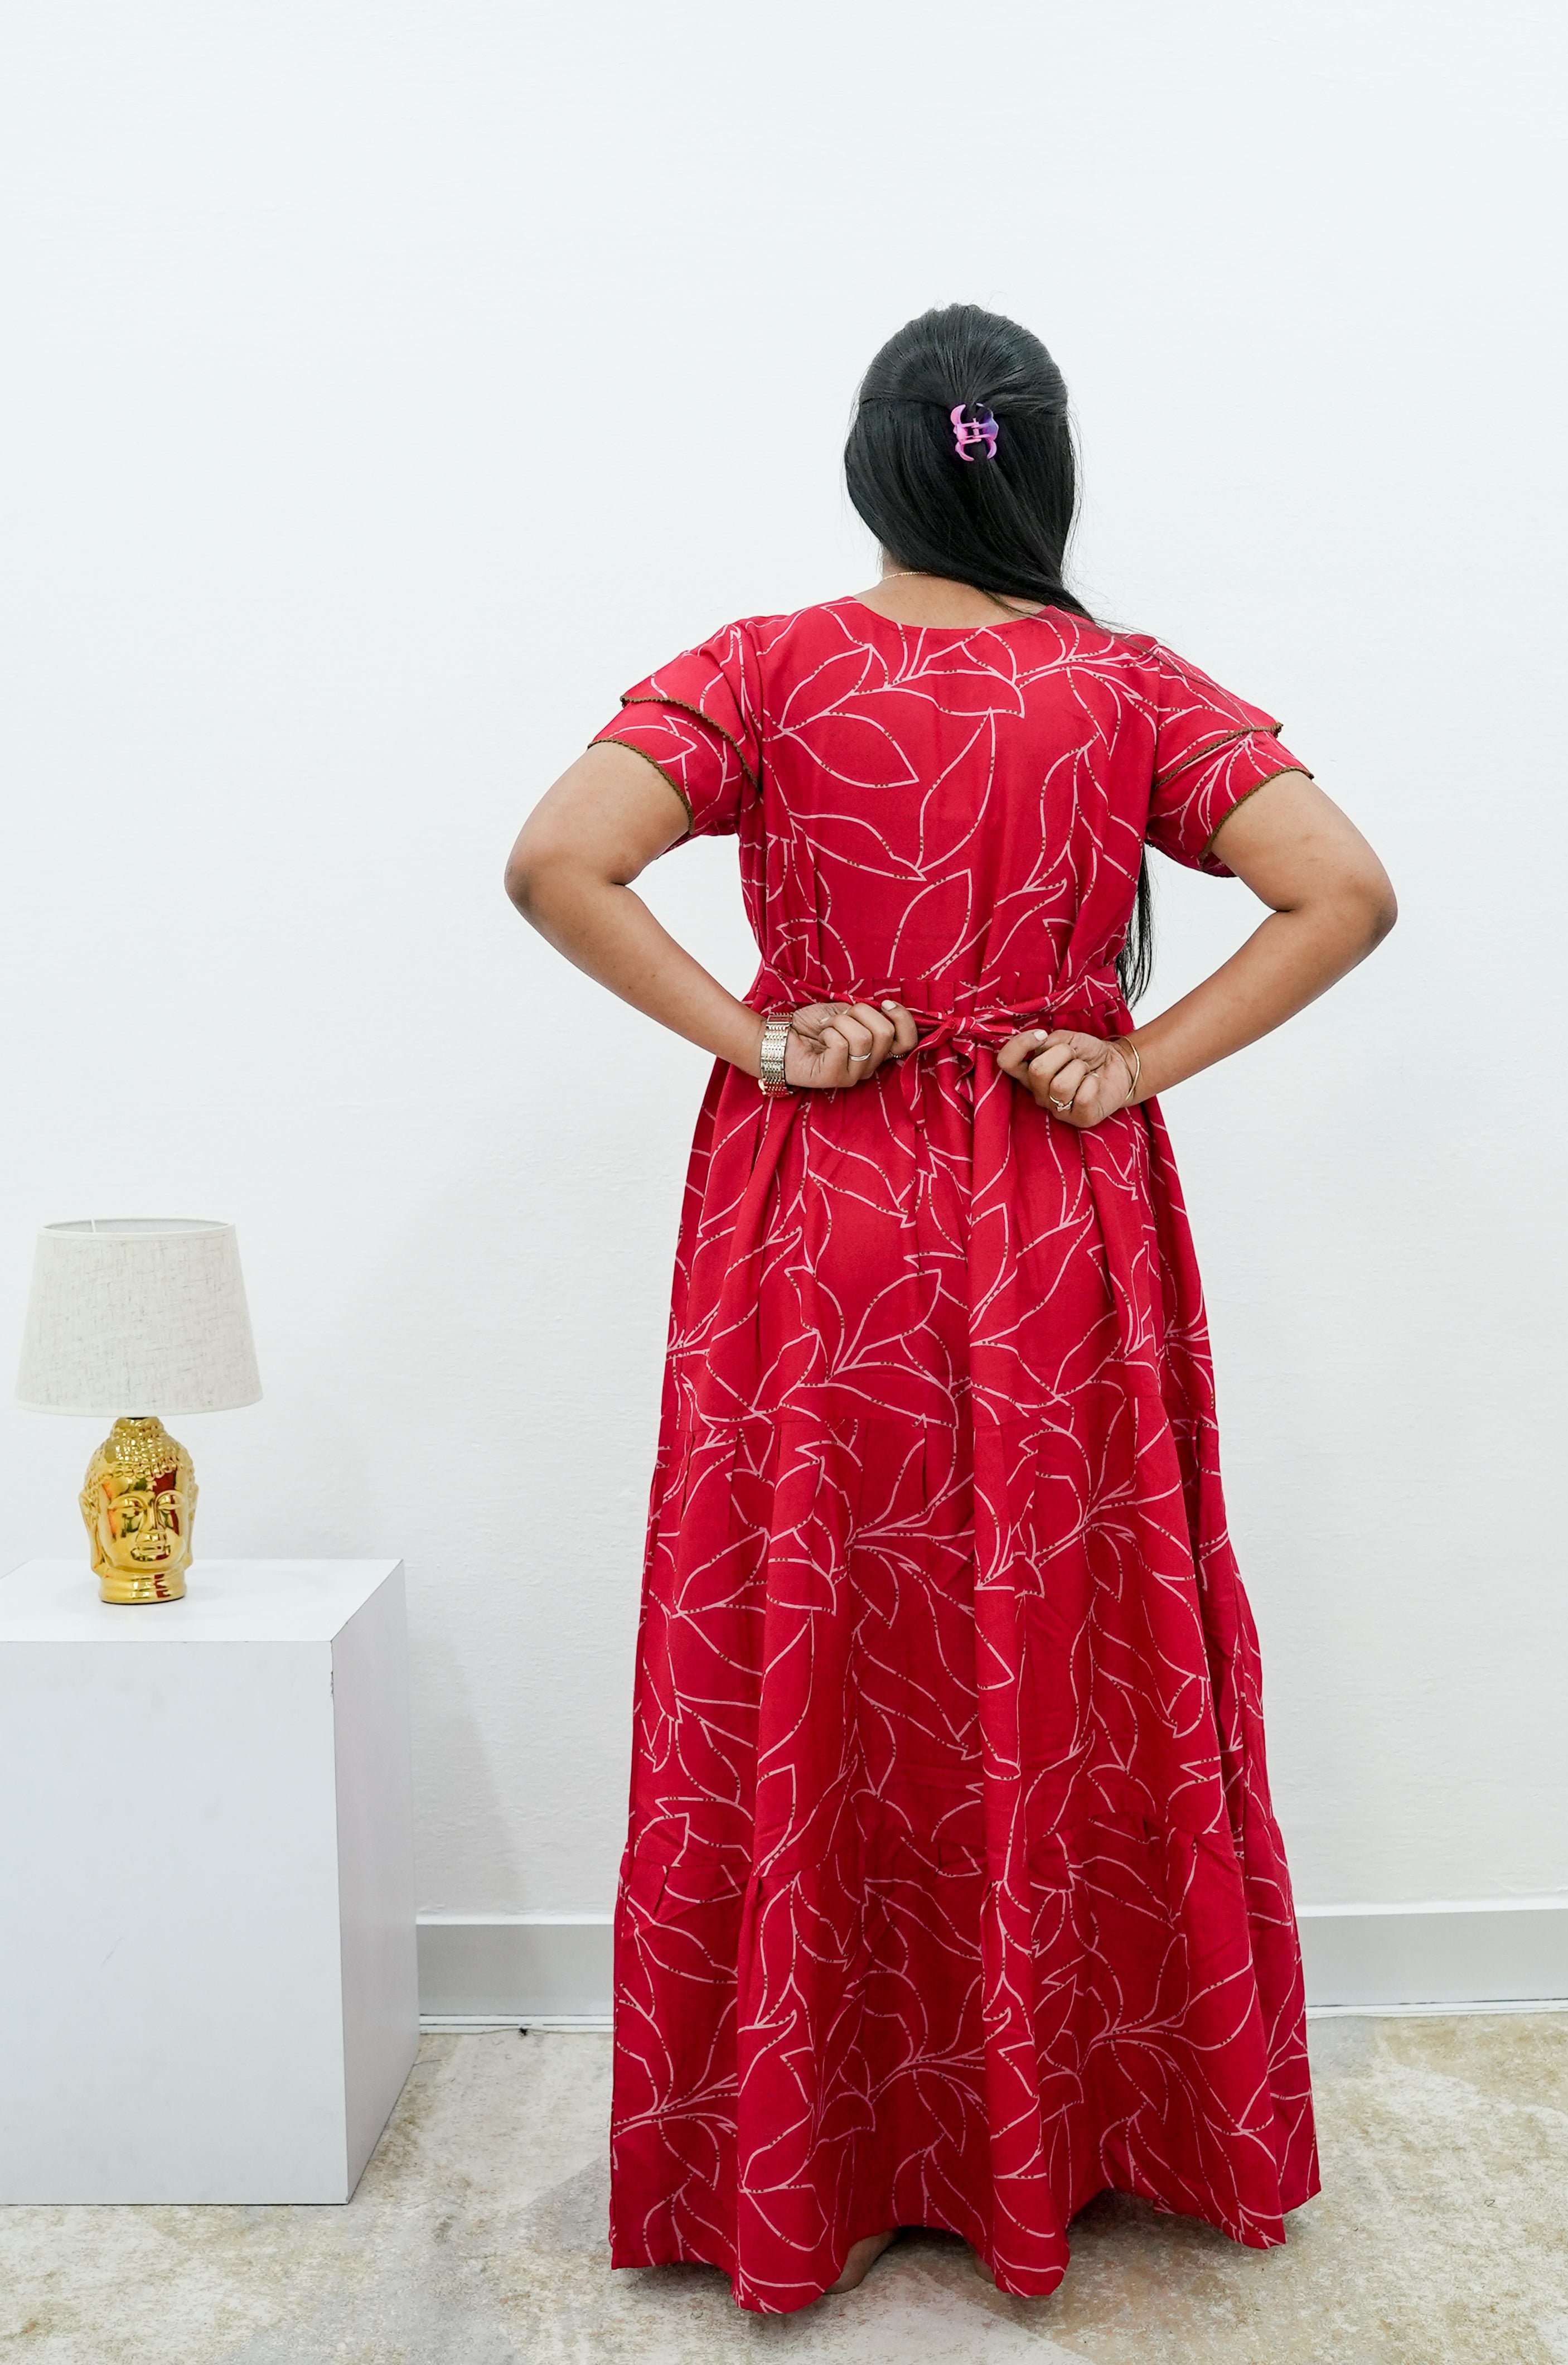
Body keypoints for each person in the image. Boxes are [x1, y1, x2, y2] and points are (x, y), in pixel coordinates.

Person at [504, 303, 1396, 2315]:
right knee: (1058, 1642)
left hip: (811, 1219)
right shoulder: (1127, 685)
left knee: (811, 1635)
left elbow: (560, 859)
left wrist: (760, 1036)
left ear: (873, 461)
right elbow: (1345, 889)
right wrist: (1131, 1063)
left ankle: (811, 2150)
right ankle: (1065, 2134)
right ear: (1040, 465)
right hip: (1052, 1220)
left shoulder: (762, 667)